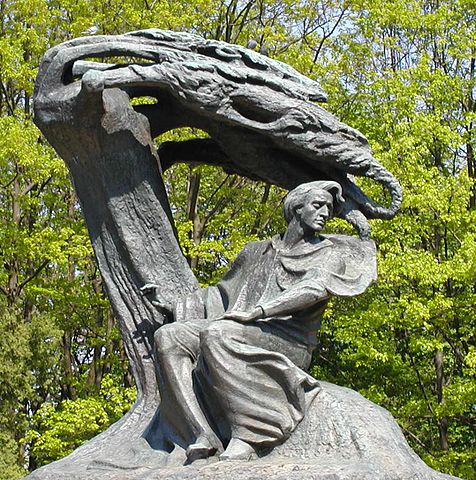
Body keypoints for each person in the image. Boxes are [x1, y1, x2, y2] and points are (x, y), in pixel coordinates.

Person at [141, 180, 376, 463]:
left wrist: (260, 311)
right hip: (241, 326)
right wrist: (169, 304)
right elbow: (220, 294)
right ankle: (201, 434)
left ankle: (249, 435)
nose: (325, 212)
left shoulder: (329, 254)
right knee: (169, 336)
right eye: (318, 205)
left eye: (329, 207)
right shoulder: (256, 251)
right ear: (296, 208)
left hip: (288, 339)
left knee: (219, 334)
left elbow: (313, 289)